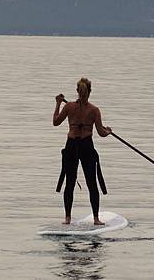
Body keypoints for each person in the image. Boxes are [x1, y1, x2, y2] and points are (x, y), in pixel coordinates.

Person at [53, 77, 112, 225]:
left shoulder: (69, 107)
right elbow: (100, 132)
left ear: (77, 91)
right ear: (89, 92)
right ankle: (96, 219)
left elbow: (55, 122)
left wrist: (58, 103)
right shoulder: (94, 110)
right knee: (91, 183)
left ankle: (67, 218)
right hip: (85, 145)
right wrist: (108, 131)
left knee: (70, 183)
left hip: (72, 145)